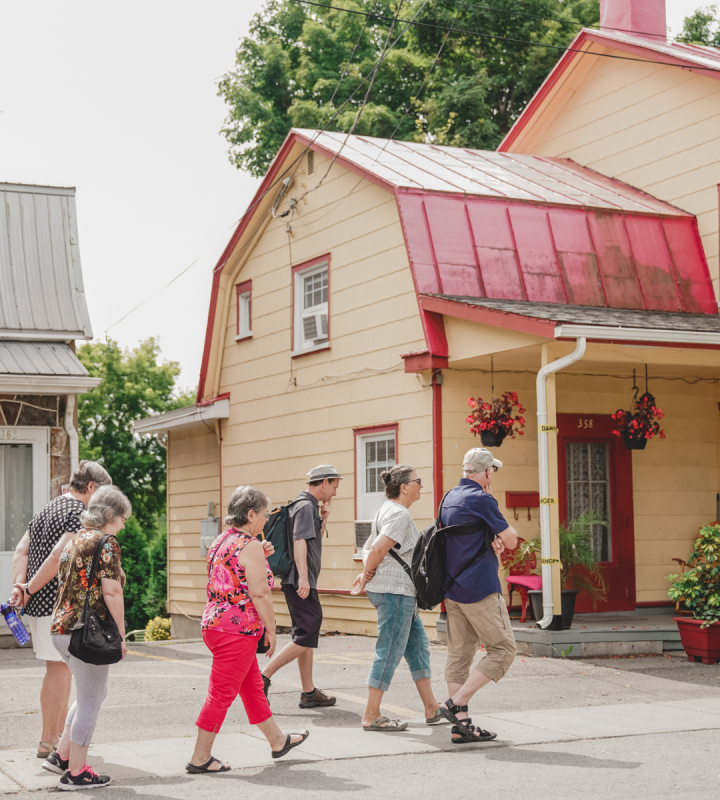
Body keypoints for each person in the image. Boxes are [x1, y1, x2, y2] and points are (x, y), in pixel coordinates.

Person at [188, 486, 309, 773]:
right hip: (236, 630)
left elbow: (232, 574)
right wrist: (272, 629)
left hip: (215, 624)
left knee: (252, 687)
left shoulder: (222, 540)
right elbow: (260, 593)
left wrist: (259, 553)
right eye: (265, 513)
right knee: (220, 694)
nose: (267, 519)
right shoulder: (250, 545)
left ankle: (277, 740)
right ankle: (200, 757)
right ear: (251, 514)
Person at [10, 460, 112, 760]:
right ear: (91, 487)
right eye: (102, 492)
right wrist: (29, 589)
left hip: (39, 603)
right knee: (59, 669)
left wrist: (21, 587)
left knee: (61, 668)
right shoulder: (78, 513)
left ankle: (56, 739)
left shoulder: (48, 508)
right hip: (58, 602)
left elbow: (21, 550)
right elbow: (58, 556)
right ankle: (48, 740)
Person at [46, 485, 131, 790]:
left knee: (90, 695)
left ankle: (62, 755)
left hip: (62, 629)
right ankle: (77, 772)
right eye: (123, 519)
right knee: (91, 702)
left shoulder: (76, 539)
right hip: (87, 633)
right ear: (109, 514)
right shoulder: (106, 542)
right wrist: (120, 635)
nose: (123, 526)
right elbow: (112, 591)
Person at [351, 465, 445, 731]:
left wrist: (366, 573)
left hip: (400, 593)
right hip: (395, 593)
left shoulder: (386, 510)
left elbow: (367, 548)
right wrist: (366, 574)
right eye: (417, 481)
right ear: (404, 488)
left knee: (418, 647)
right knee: (389, 651)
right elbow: (376, 549)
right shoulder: (399, 514)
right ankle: (371, 715)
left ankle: (431, 707)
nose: (421, 486)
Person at [438, 448, 518, 744]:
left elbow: (464, 537)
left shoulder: (449, 497)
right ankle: (455, 703)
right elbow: (511, 540)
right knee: (503, 649)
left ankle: (461, 725)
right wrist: (499, 533)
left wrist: (490, 538)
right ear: (487, 471)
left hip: (452, 589)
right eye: (492, 470)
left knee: (459, 655)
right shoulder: (481, 499)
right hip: (480, 589)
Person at [261, 465, 340, 709]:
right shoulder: (305, 506)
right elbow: (299, 542)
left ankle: (308, 692)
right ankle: (263, 677)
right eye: (334, 486)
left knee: (305, 634)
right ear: (324, 482)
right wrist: (303, 578)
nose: (335, 493)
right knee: (308, 632)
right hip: (300, 581)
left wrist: (324, 518)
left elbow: (312, 540)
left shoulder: (304, 505)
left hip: (297, 579)